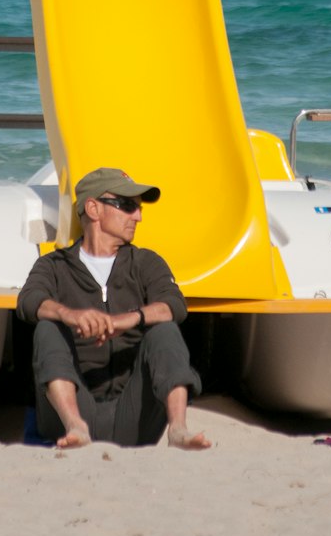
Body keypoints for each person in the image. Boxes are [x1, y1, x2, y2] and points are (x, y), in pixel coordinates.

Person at [15, 166, 210, 451]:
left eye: (139, 208)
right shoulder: (54, 265)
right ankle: (75, 426)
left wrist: (125, 320)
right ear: (93, 208)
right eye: (128, 206)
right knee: (47, 328)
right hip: (70, 413)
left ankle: (178, 429)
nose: (138, 216)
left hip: (133, 416)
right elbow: (28, 301)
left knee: (164, 331)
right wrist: (70, 315)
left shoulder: (145, 262)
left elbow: (174, 305)